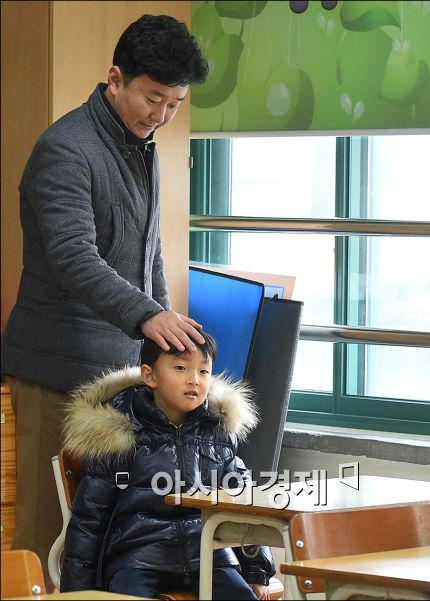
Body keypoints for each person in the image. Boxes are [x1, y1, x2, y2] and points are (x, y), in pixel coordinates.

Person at [0, 14, 209, 587]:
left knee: (109, 538)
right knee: (46, 535)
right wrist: (148, 315)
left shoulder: (144, 147)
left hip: (119, 377)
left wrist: (166, 348)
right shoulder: (65, 149)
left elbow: (151, 254)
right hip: (56, 374)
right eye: (152, 98)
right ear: (115, 79)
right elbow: (74, 258)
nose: (161, 115)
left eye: (174, 103)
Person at [59, 332, 275, 599]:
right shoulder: (117, 434)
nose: (194, 379)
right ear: (149, 375)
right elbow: (90, 520)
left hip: (209, 555)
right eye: (181, 368)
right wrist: (76, 594)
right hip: (138, 556)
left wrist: (257, 571)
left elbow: (244, 504)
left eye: (204, 371)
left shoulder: (218, 431)